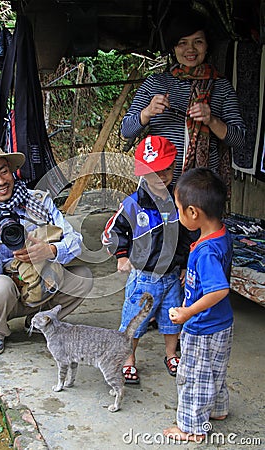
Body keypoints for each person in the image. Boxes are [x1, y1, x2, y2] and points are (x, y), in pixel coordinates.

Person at [0, 143, 93, 355]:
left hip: (39, 285)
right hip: (2, 295)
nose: (1, 182)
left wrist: (50, 250)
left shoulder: (37, 201)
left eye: (4, 172)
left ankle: (38, 320)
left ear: (12, 171)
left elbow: (76, 242)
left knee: (83, 276)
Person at [102, 135, 193, 383]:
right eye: (153, 172)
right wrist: (122, 255)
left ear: (174, 167)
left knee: (172, 318)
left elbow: (188, 233)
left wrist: (185, 263)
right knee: (135, 321)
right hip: (144, 276)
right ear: (142, 173)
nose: (160, 177)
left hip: (172, 275)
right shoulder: (132, 204)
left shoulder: (180, 200)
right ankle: (128, 359)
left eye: (166, 170)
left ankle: (171, 354)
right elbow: (112, 232)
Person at [121, 10, 246, 188]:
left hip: (201, 189)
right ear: (173, 47)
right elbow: (126, 130)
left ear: (207, 46)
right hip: (158, 185)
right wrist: (147, 113)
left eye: (198, 42)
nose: (191, 49)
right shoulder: (155, 83)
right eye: (182, 43)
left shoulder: (221, 87)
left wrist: (211, 120)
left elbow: (239, 139)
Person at [163, 167, 233, 442]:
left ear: (194, 213)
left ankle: (191, 427)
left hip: (202, 325)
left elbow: (219, 289)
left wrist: (187, 312)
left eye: (180, 209)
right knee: (214, 370)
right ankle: (217, 408)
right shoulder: (221, 235)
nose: (179, 215)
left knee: (193, 375)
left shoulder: (205, 251)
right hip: (222, 323)